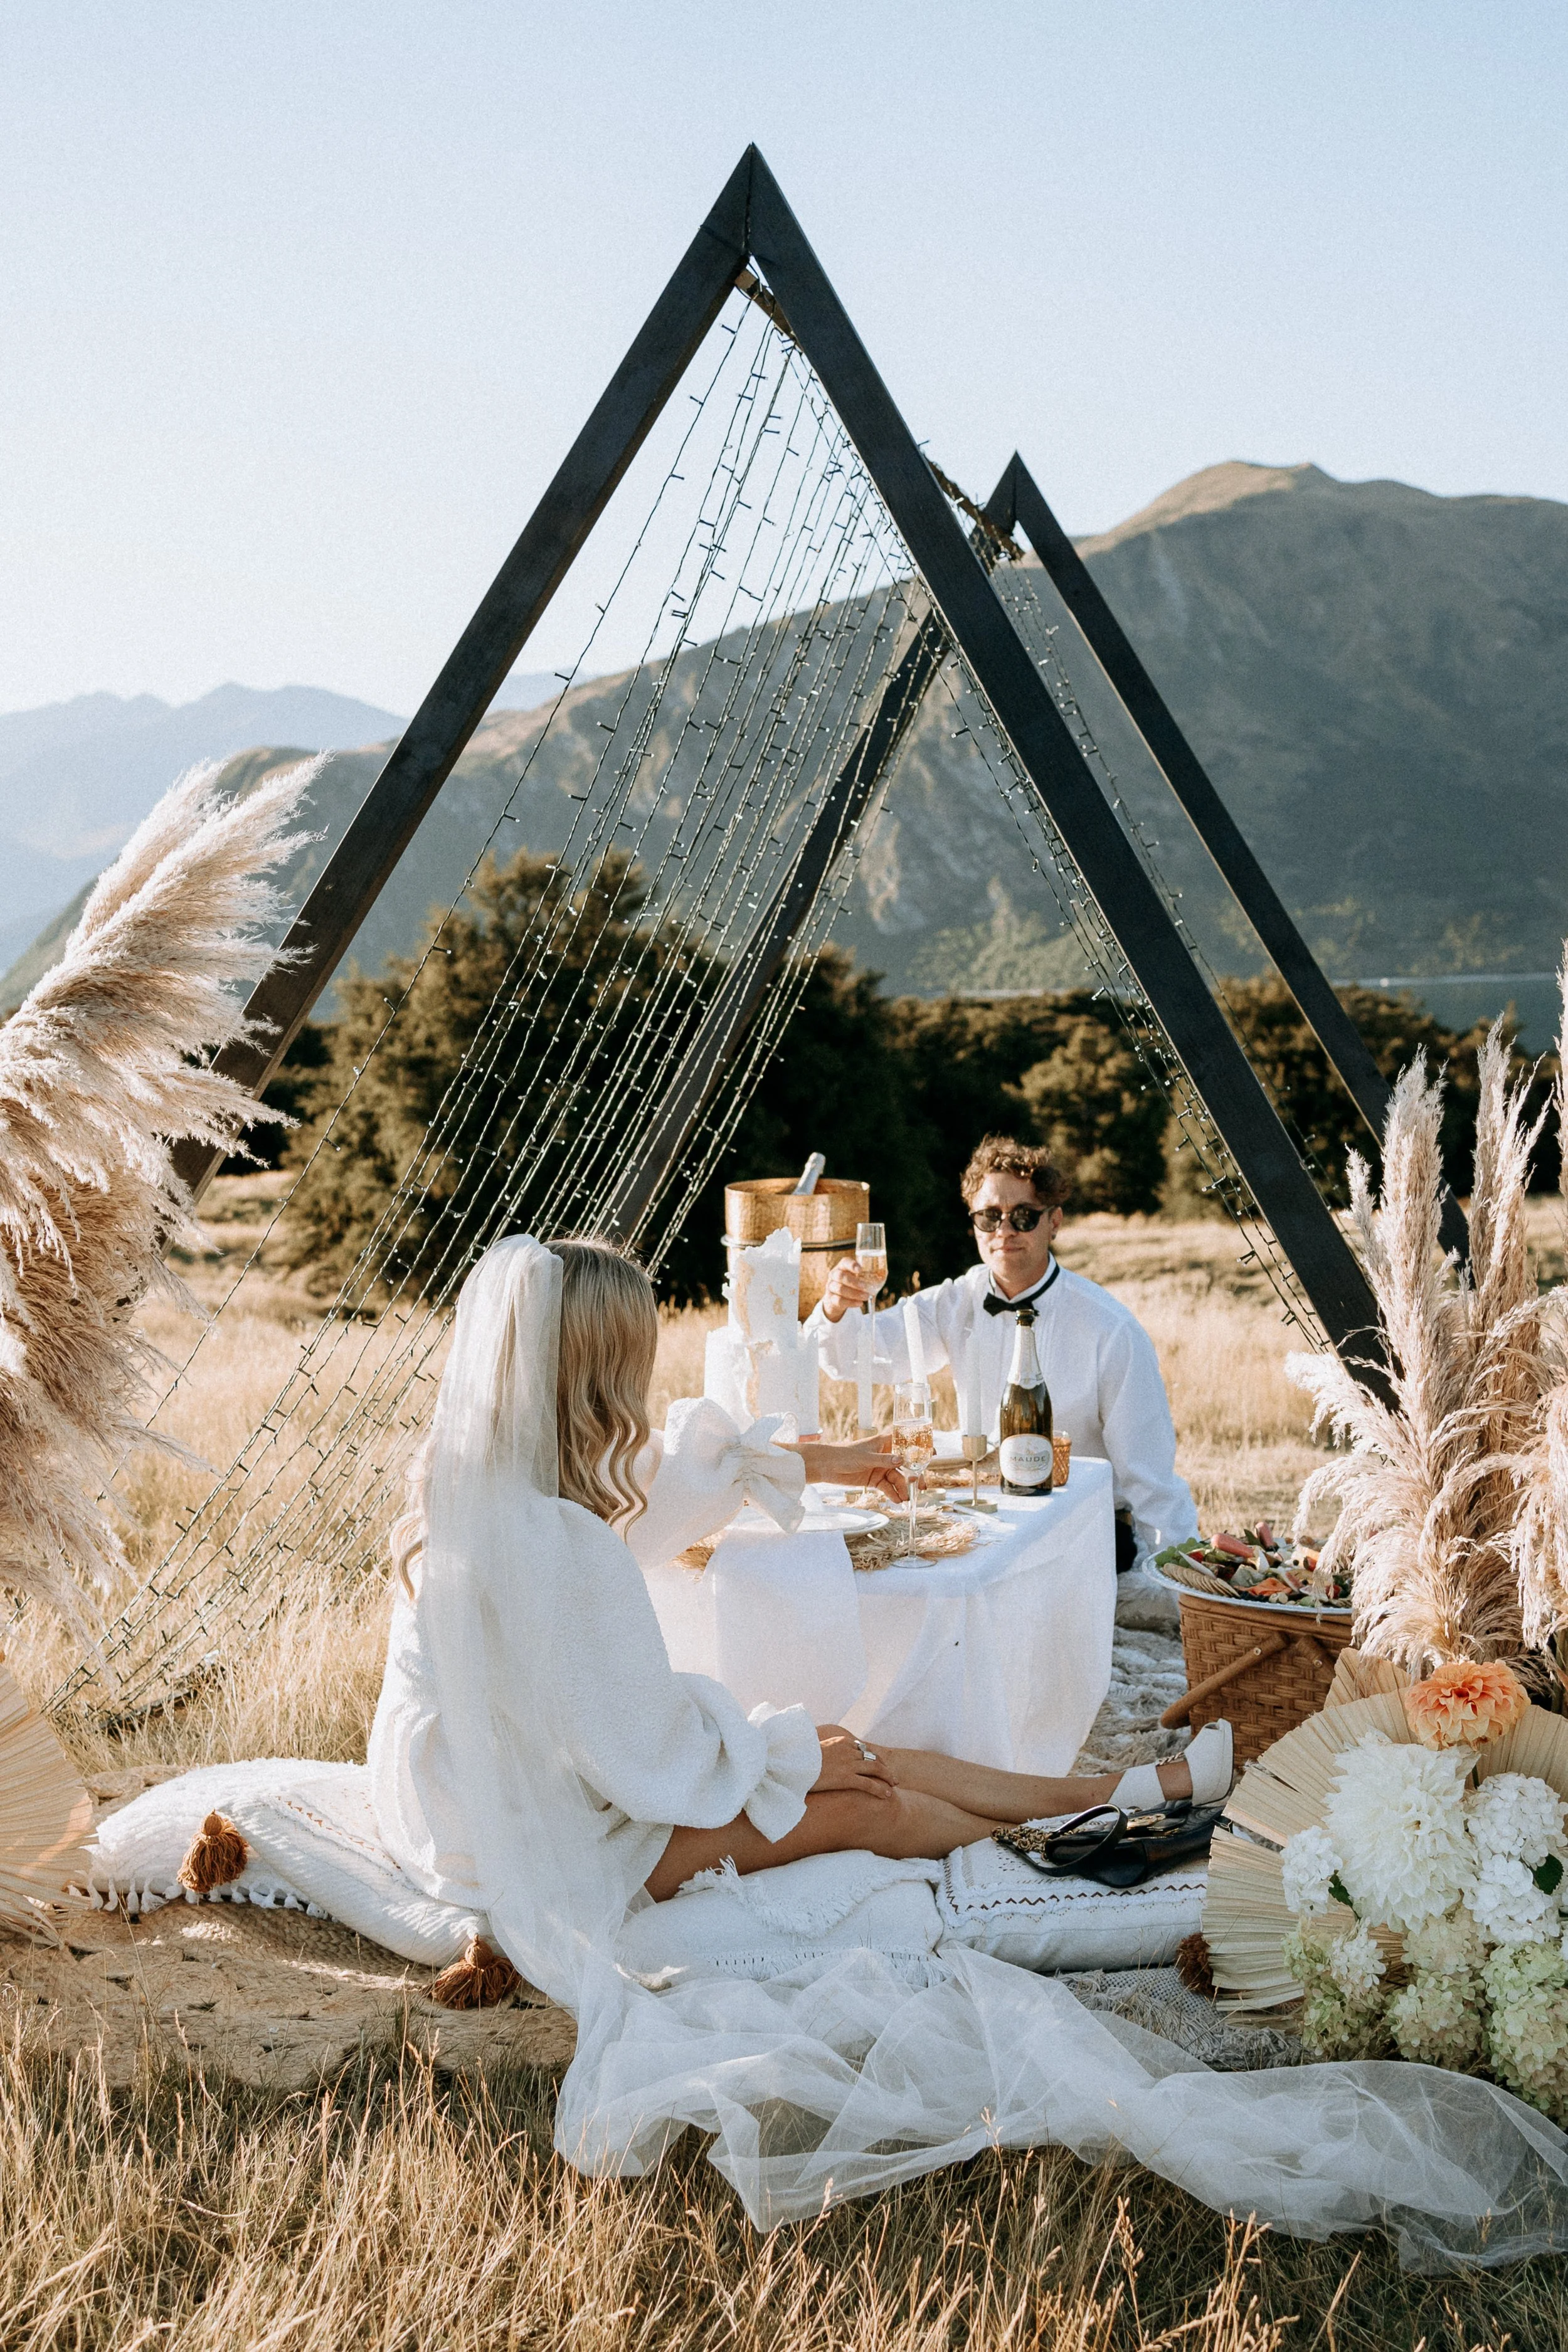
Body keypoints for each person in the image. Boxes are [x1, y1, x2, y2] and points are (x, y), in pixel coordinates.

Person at [369, 1233, 1230, 1930]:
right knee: (863, 1798)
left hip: (478, 1803)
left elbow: (689, 1476)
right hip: (538, 1838)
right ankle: (1076, 1843)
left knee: (847, 1751)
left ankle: (1112, 1796)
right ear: (596, 1375)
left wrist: (832, 1460)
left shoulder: (482, 1479)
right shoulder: (560, 1543)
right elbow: (645, 1760)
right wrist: (774, 1755)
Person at [810, 1136, 1197, 1604]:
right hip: (981, 1520)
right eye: (990, 1216)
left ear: (1054, 1221)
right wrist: (835, 1307)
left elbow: (1151, 1477)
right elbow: (856, 1358)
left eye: (1024, 1217)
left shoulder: (1110, 1329)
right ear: (974, 1222)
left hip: (1078, 1533)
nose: (1005, 1231)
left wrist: (1172, 1590)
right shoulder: (953, 1301)